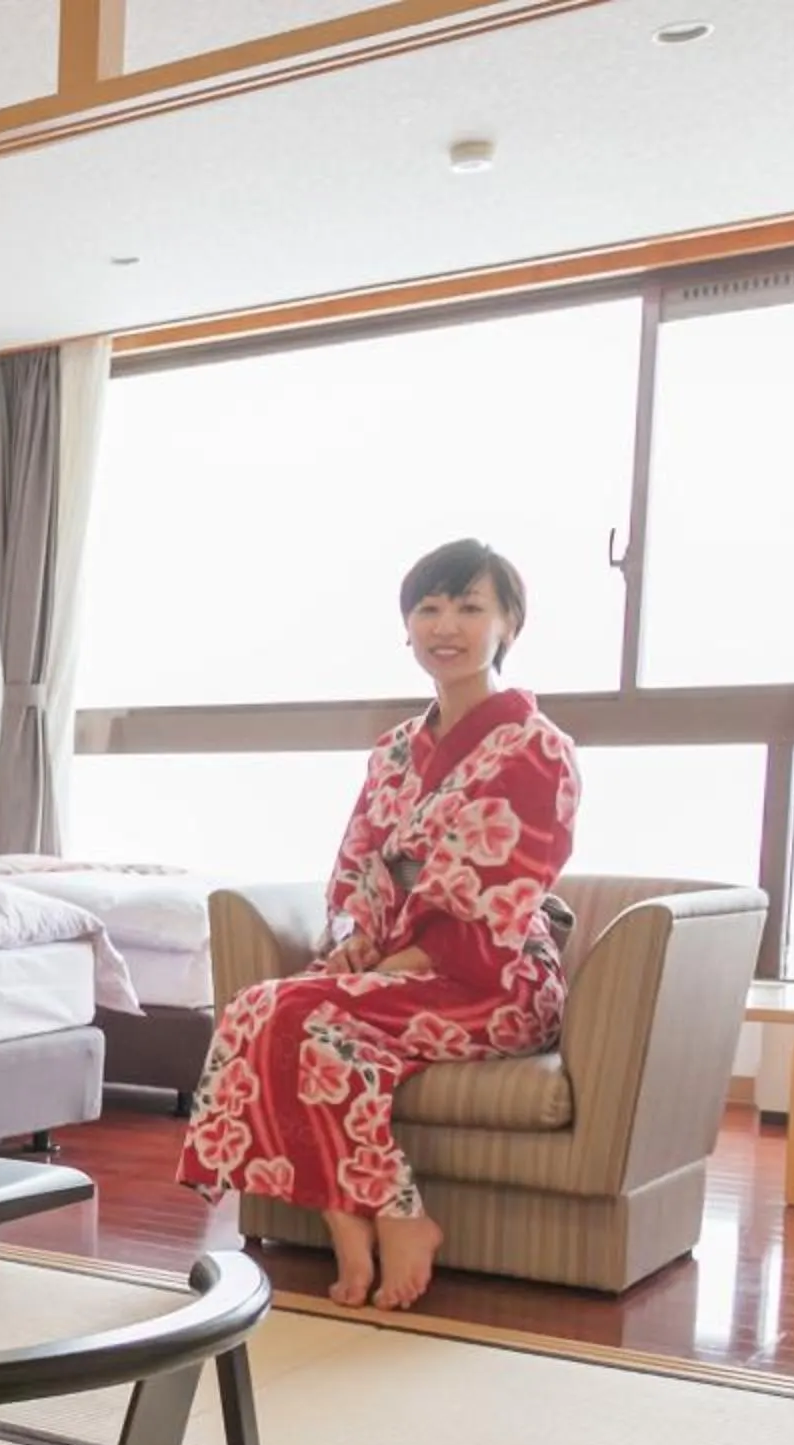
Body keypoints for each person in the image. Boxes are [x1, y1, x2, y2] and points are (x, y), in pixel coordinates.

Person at [178, 539, 579, 1312]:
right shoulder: (395, 749)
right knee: (258, 1008)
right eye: (428, 608)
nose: (446, 626)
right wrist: (358, 947)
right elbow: (360, 865)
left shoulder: (537, 747)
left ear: (509, 625)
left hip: (495, 978)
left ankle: (397, 1215)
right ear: (407, 626)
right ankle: (348, 1218)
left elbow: (499, 886)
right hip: (397, 967)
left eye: (470, 607)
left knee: (308, 1014)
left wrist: (393, 965)